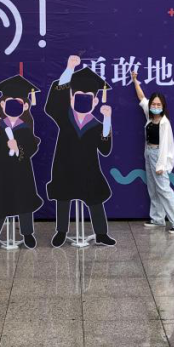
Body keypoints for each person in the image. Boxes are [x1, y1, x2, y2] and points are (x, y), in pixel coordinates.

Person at [45, 56, 116, 247]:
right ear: (71, 98)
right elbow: (52, 104)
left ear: (95, 101)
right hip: (64, 166)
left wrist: (107, 120)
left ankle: (101, 233)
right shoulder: (64, 116)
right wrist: (69, 69)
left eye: (87, 97)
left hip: (89, 169)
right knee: (63, 198)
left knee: (95, 200)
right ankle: (61, 231)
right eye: (78, 96)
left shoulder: (97, 124)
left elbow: (105, 149)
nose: (83, 100)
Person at [0, 75, 43, 251]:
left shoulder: (25, 127)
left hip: (22, 172)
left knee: (24, 202)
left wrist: (18, 148)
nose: (13, 106)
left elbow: (31, 149)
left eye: (18, 102)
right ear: (2, 104)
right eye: (9, 102)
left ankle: (27, 234)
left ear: (25, 106)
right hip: (1, 172)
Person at [131, 70, 174, 234]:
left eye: (158, 105)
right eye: (153, 104)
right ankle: (157, 218)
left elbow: (167, 146)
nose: (155, 107)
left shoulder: (164, 123)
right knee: (153, 188)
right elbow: (142, 98)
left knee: (164, 189)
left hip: (158, 156)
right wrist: (135, 80)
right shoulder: (149, 117)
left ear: (163, 106)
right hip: (149, 154)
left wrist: (162, 165)